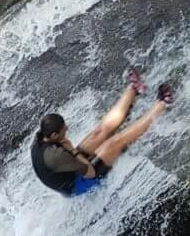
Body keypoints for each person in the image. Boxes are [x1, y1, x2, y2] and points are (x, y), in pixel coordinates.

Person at [31, 70, 173, 197]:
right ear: (54, 135)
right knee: (114, 142)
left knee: (98, 133)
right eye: (64, 130)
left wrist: (70, 150)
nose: (67, 129)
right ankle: (162, 104)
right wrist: (71, 149)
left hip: (66, 167)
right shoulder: (56, 156)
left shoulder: (42, 136)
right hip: (79, 184)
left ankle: (134, 88)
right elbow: (90, 172)